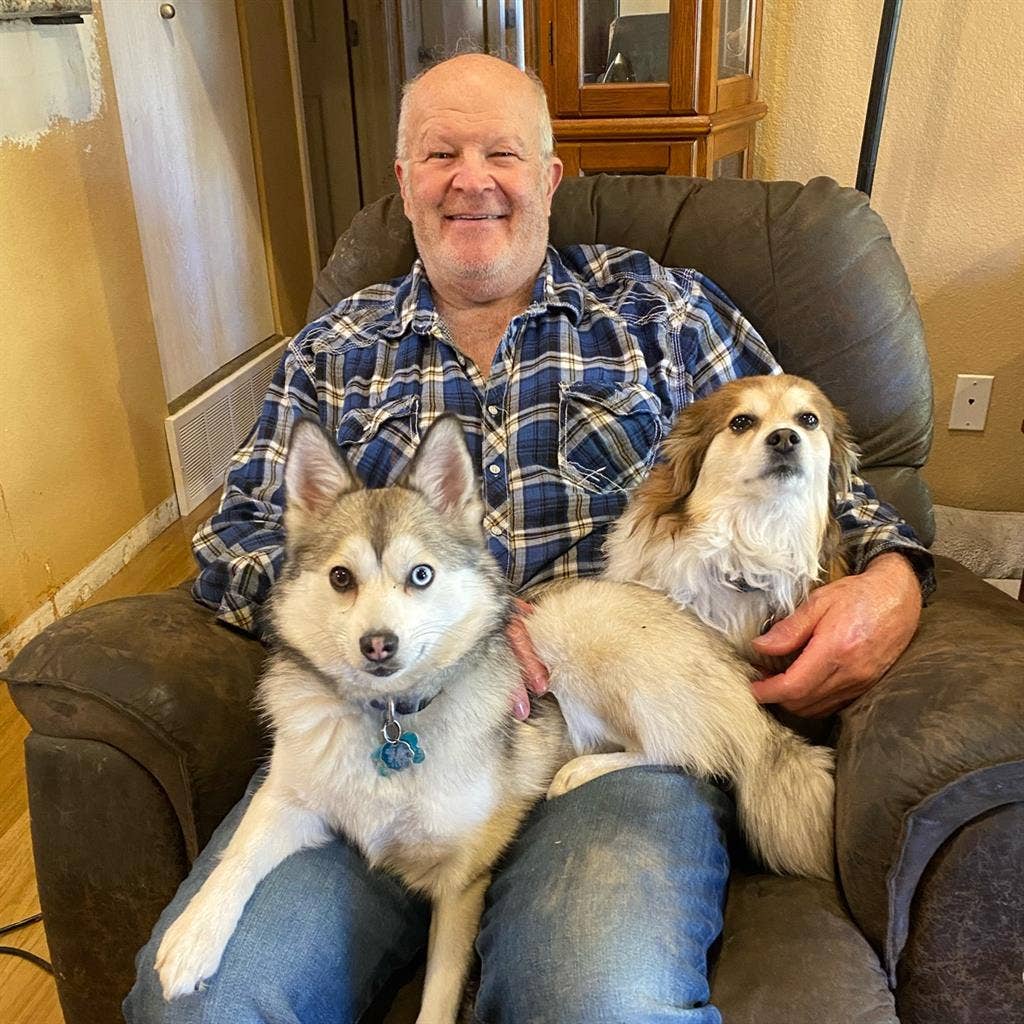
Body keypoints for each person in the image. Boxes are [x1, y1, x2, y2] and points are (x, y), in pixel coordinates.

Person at [125, 54, 933, 1023]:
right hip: (373, 735)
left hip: (592, 733)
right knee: (200, 1004)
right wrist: (355, 614)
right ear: (404, 184)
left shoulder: (660, 313)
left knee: (595, 998)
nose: (472, 178)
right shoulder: (334, 352)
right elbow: (237, 537)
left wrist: (894, 576)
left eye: (502, 151)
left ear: (549, 178)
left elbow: (826, 470)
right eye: (440, 154)